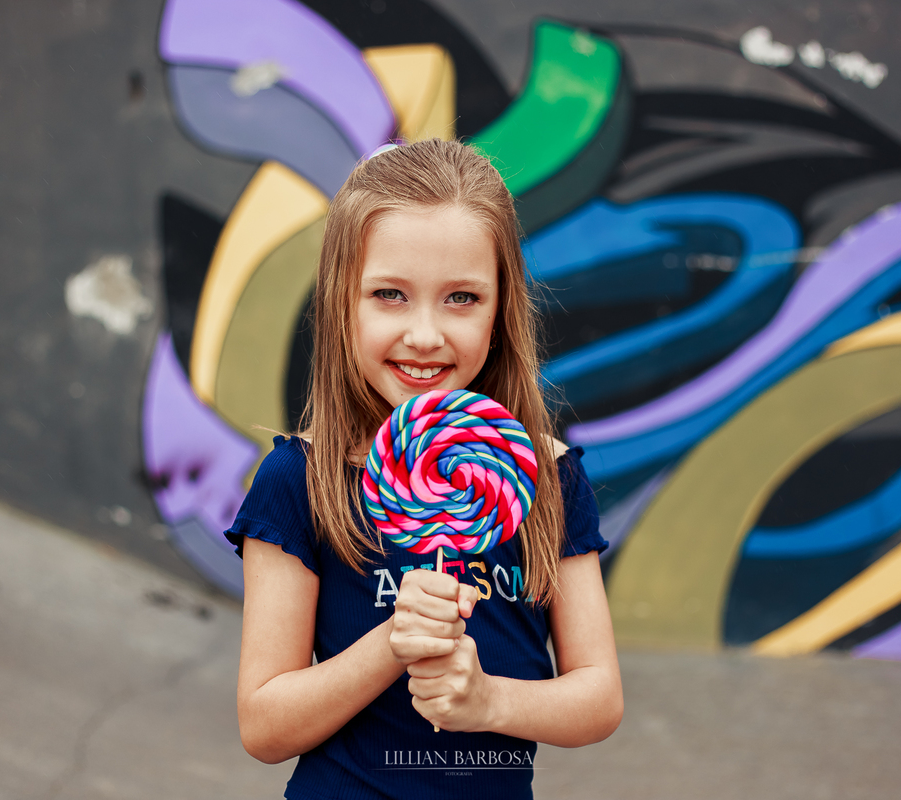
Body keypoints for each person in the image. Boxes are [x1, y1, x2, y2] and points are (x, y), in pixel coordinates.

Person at [226, 138, 622, 800]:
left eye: (462, 298)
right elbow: (264, 726)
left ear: (501, 311)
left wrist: (487, 702)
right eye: (389, 294)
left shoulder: (544, 481)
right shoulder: (300, 481)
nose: (425, 334)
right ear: (341, 304)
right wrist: (394, 642)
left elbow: (598, 697)